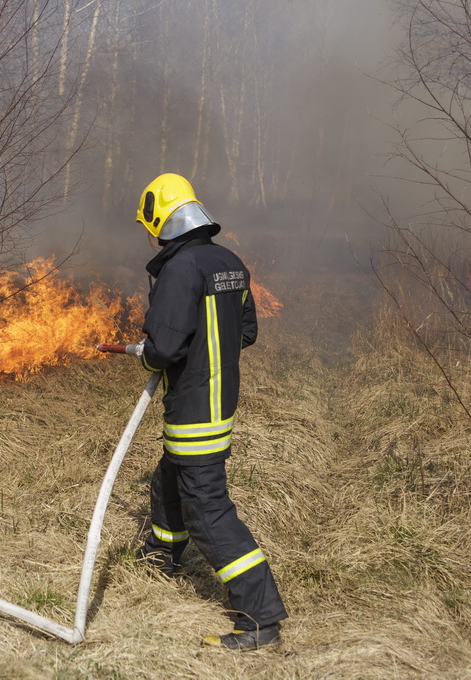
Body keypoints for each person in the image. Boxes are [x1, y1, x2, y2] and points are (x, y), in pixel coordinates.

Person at [131, 173, 287, 650]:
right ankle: (160, 558)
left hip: (194, 406)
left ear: (160, 218)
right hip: (219, 400)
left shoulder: (181, 268)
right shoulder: (229, 261)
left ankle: (260, 619)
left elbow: (164, 348)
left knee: (207, 510)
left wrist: (148, 354)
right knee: (169, 480)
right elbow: (246, 332)